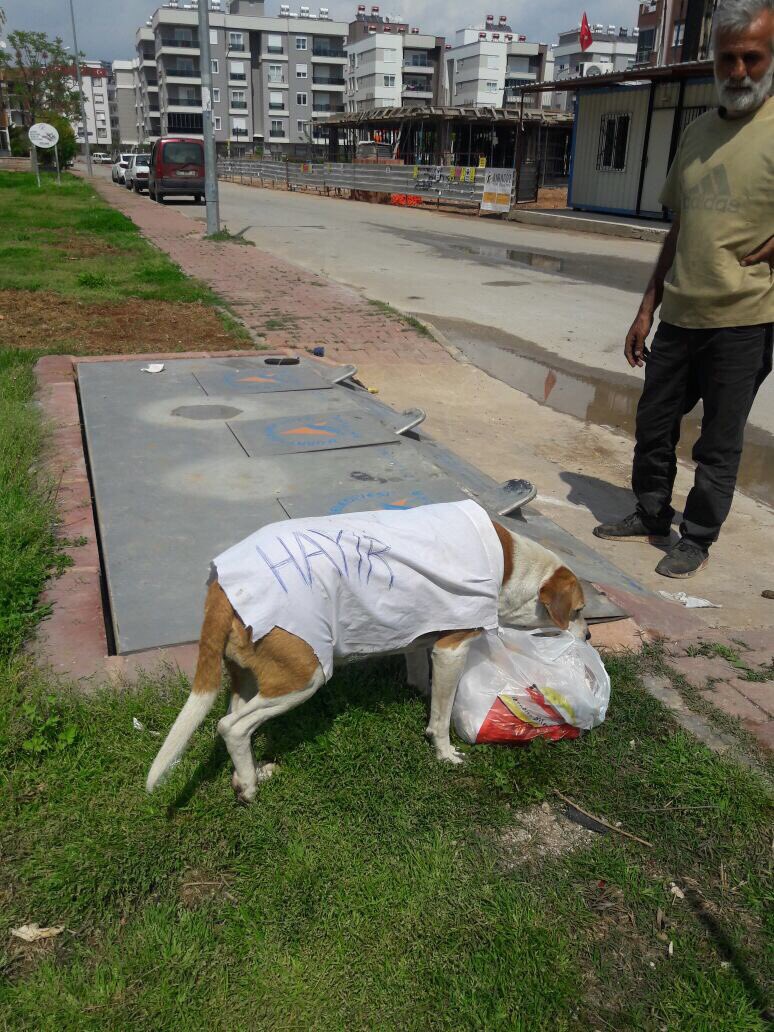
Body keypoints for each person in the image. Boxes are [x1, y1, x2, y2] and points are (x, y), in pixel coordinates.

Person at [594, 0, 773, 578]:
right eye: (729, 58)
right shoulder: (697, 131)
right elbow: (680, 227)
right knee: (653, 423)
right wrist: (646, 308)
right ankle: (650, 513)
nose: (739, 71)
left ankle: (696, 536)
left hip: (744, 318)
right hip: (680, 313)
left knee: (718, 442)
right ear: (714, 61)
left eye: (752, 57)